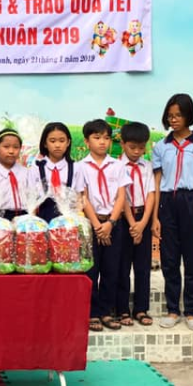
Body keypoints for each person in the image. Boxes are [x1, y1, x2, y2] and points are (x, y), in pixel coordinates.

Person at [152, 93, 193, 331]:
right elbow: (157, 182)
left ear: (188, 115)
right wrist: (155, 217)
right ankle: (172, 310)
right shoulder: (161, 147)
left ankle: (191, 312)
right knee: (169, 260)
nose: (174, 119)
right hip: (167, 202)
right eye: (170, 116)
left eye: (178, 115)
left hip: (192, 202)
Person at [77, 119, 131, 332]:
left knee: (111, 269)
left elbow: (121, 196)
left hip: (113, 222)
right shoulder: (81, 167)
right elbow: (83, 197)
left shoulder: (118, 166)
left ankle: (106, 311)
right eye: (97, 137)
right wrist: (97, 226)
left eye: (106, 138)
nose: (102, 142)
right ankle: (91, 312)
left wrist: (110, 223)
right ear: (86, 141)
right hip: (92, 223)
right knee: (92, 269)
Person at [118, 122, 156, 327]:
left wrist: (142, 224)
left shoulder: (147, 166)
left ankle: (141, 309)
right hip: (123, 218)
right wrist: (133, 223)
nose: (136, 152)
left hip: (143, 216)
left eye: (141, 148)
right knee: (122, 266)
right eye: (132, 147)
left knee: (143, 266)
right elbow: (121, 196)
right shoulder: (116, 166)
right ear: (122, 143)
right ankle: (122, 309)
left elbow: (151, 194)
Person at [29, 122, 81, 222]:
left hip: (69, 216)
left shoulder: (75, 167)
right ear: (45, 143)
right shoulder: (37, 166)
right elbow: (32, 195)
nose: (57, 145)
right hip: (42, 216)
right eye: (52, 141)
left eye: (62, 141)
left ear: (68, 142)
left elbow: (80, 196)